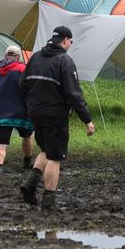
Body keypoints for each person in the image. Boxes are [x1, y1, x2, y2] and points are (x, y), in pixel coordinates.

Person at [18, 26, 95, 212]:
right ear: (66, 41)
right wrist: (87, 120)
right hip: (55, 115)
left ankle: (29, 185)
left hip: (35, 112)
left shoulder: (35, 57)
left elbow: (22, 84)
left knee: (45, 149)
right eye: (71, 41)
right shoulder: (65, 61)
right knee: (55, 157)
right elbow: (73, 93)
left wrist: (34, 102)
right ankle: (48, 202)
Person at [0, 45, 34, 174]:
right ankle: (27, 162)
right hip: (21, 111)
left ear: (5, 55)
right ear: (18, 56)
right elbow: (28, 88)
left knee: (1, 142)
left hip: (0, 111)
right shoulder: (22, 68)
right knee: (27, 136)